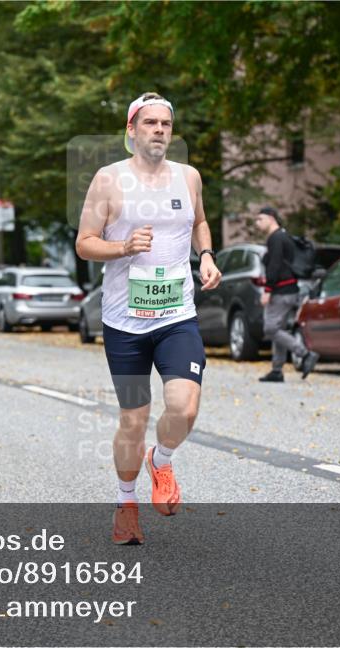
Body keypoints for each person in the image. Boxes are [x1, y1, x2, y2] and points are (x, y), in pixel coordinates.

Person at [76, 92, 222, 545]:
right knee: (133, 420)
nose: (159, 130)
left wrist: (206, 255)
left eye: (166, 124)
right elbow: (84, 242)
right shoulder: (108, 179)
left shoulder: (188, 177)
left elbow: (199, 222)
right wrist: (123, 247)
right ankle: (126, 505)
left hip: (176, 316)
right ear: (131, 130)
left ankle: (161, 460)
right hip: (124, 323)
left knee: (185, 406)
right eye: (150, 123)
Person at [255, 206, 319, 382]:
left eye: (260, 219)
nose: (257, 223)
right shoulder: (284, 236)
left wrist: (268, 290)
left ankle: (305, 353)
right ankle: (277, 370)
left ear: (271, 218)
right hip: (290, 290)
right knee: (279, 330)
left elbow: (274, 265)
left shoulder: (276, 238)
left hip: (281, 292)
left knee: (270, 328)